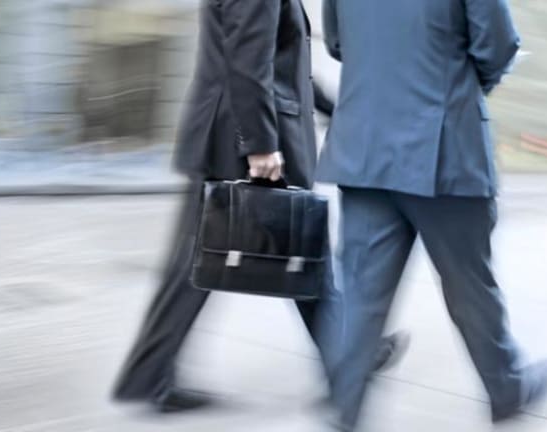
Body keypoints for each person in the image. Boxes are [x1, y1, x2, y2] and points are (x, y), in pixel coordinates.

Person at [112, 0, 406, 413]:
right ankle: (350, 362)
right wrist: (260, 145)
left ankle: (150, 377)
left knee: (207, 266)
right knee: (302, 254)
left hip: (230, 135)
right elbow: (248, 61)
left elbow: (283, 65)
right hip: (245, 141)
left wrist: (338, 109)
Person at [317, 0, 547, 429]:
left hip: (365, 146)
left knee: (360, 292)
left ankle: (345, 408)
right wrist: (455, 87)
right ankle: (506, 388)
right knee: (470, 286)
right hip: (443, 149)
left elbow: (337, 43)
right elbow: (498, 46)